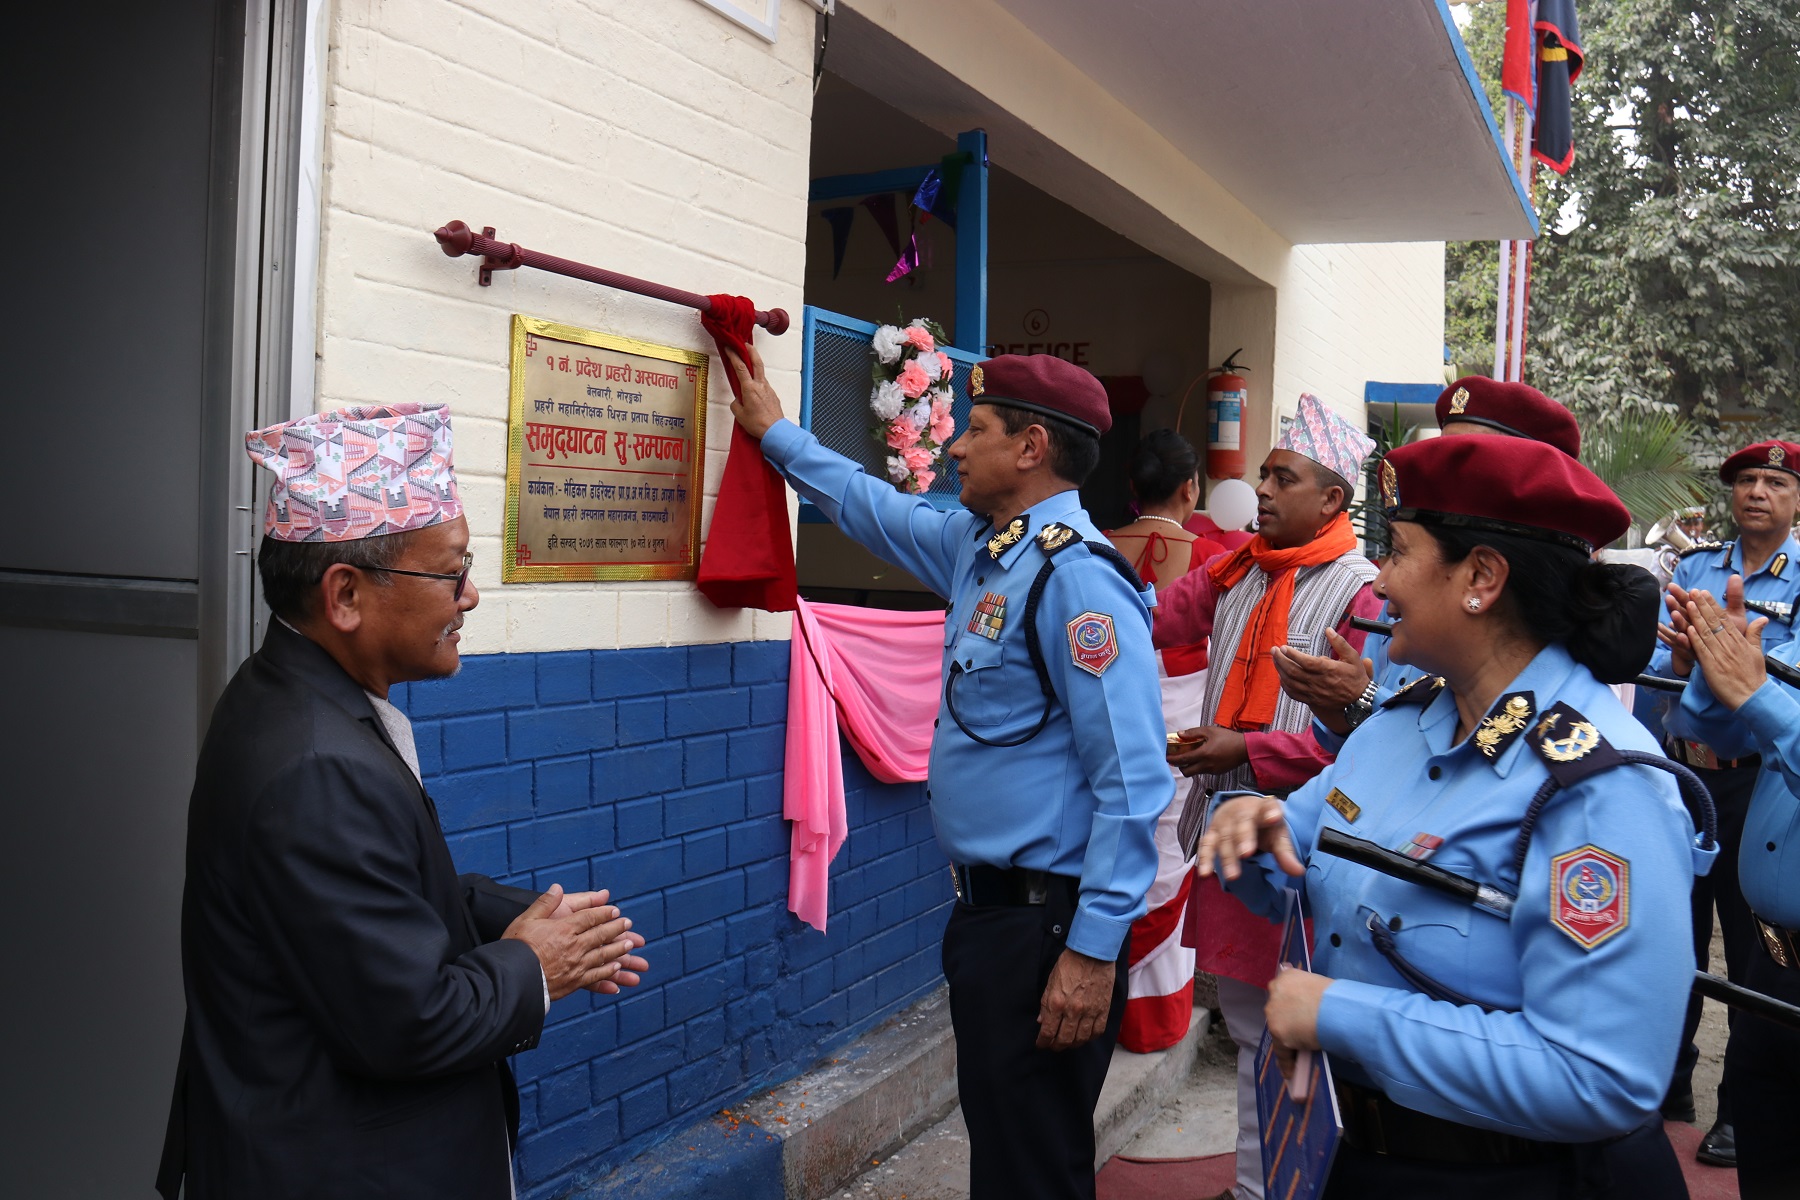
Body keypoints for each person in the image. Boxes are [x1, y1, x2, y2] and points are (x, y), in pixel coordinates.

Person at [1199, 434, 1710, 1199]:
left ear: (1480, 578)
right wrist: (1245, 822)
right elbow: (1298, 836)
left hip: (1511, 1175)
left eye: (1399, 550)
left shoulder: (1597, 788)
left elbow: (1601, 1076)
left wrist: (1341, 1016)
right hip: (1355, 1155)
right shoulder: (1402, 722)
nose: (1379, 576)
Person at [157, 404, 648, 1200]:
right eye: (451, 570)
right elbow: (409, 1023)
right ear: (345, 594)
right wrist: (534, 964)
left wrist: (524, 918)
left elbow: (376, 903)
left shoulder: (296, 695)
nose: (472, 595)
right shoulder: (315, 766)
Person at [723, 346, 1169, 1200]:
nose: (958, 447)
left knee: (1032, 1168)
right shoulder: (979, 549)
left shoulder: (1078, 582)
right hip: (991, 924)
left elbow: (1133, 784)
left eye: (980, 429)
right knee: (1005, 1157)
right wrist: (776, 434)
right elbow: (867, 505)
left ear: (1032, 447)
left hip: (1050, 932)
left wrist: (1092, 952)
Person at [1151, 393, 1384, 1200]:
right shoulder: (1239, 567)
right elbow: (1157, 619)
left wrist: (1243, 748)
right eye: (1262, 476)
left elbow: (1360, 740)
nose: (1263, 491)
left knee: (1301, 1035)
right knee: (1254, 1030)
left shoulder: (1363, 594)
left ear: (1332, 501)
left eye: (1283, 478)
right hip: (1231, 833)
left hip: (1307, 848)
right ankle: (1260, 1189)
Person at [1274, 376, 1582, 751]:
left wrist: (1365, 696)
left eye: (1472, 462)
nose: (1442, 476)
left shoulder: (1552, 629)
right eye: (1442, 456)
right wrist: (1342, 705)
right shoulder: (1406, 598)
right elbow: (1362, 765)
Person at [1646, 438, 1800, 1160]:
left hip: (1760, 779)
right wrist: (1681, 661)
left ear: (1796, 501)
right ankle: (1663, 1086)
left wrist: (1735, 662)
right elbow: (1653, 665)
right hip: (1685, 771)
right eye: (1746, 481)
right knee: (1667, 930)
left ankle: (1739, 1108)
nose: (1757, 492)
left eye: (1774, 481)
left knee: (1749, 945)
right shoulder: (1693, 566)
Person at [1668, 580, 1800, 1198]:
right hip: (1770, 966)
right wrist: (1712, 672)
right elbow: (1717, 738)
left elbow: (1771, 712)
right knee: (1766, 1164)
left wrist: (1757, 694)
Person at [1105, 430, 1224, 1053]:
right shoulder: (1214, 556)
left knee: (1112, 843)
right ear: (1190, 488)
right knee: (1170, 849)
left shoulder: (1095, 547)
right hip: (1183, 722)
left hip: (1114, 714)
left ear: (1131, 488)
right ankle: (1153, 1019)